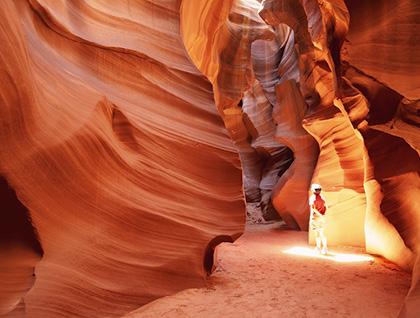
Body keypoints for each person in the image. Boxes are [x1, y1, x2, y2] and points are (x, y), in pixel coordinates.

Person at [309, 183, 328, 254]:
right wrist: (323, 215)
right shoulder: (323, 197)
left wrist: (319, 215)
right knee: (322, 233)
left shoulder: (312, 198)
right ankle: (325, 248)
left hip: (315, 218)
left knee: (317, 234)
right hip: (322, 218)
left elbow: (313, 209)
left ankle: (319, 248)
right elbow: (326, 207)